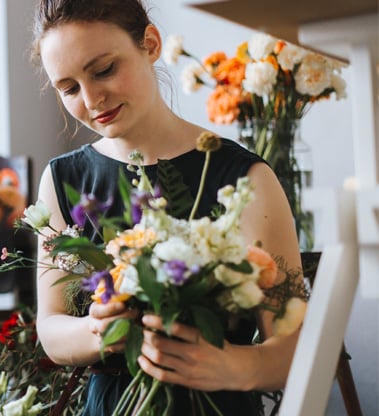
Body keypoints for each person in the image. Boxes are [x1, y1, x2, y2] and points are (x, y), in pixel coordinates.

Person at [29, 0, 305, 414]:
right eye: (69, 88)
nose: (91, 98)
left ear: (151, 44)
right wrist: (96, 329)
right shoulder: (62, 181)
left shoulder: (244, 177)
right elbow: (50, 328)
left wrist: (235, 367)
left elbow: (298, 343)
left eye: (103, 69)